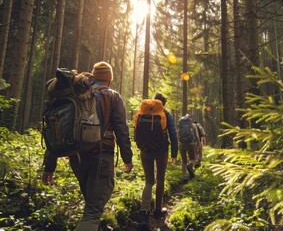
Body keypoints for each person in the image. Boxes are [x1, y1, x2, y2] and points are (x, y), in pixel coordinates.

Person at [41, 61, 133, 231]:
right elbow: (122, 129)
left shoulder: (76, 94)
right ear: (109, 79)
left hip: (77, 158)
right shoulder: (112, 96)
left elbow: (57, 131)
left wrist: (49, 166)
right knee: (92, 212)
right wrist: (127, 158)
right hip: (101, 157)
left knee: (91, 206)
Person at [137, 92, 178, 228]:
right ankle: (158, 210)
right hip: (161, 151)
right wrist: (174, 154)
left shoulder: (142, 112)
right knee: (160, 179)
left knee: (148, 181)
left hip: (145, 151)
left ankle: (144, 211)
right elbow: (173, 134)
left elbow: (136, 130)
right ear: (163, 104)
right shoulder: (165, 114)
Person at [177, 114, 200, 182]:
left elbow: (177, 134)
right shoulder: (193, 125)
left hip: (181, 144)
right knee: (193, 159)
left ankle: (184, 176)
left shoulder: (180, 125)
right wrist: (198, 144)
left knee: (183, 160)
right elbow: (197, 136)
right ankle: (190, 165)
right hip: (190, 144)